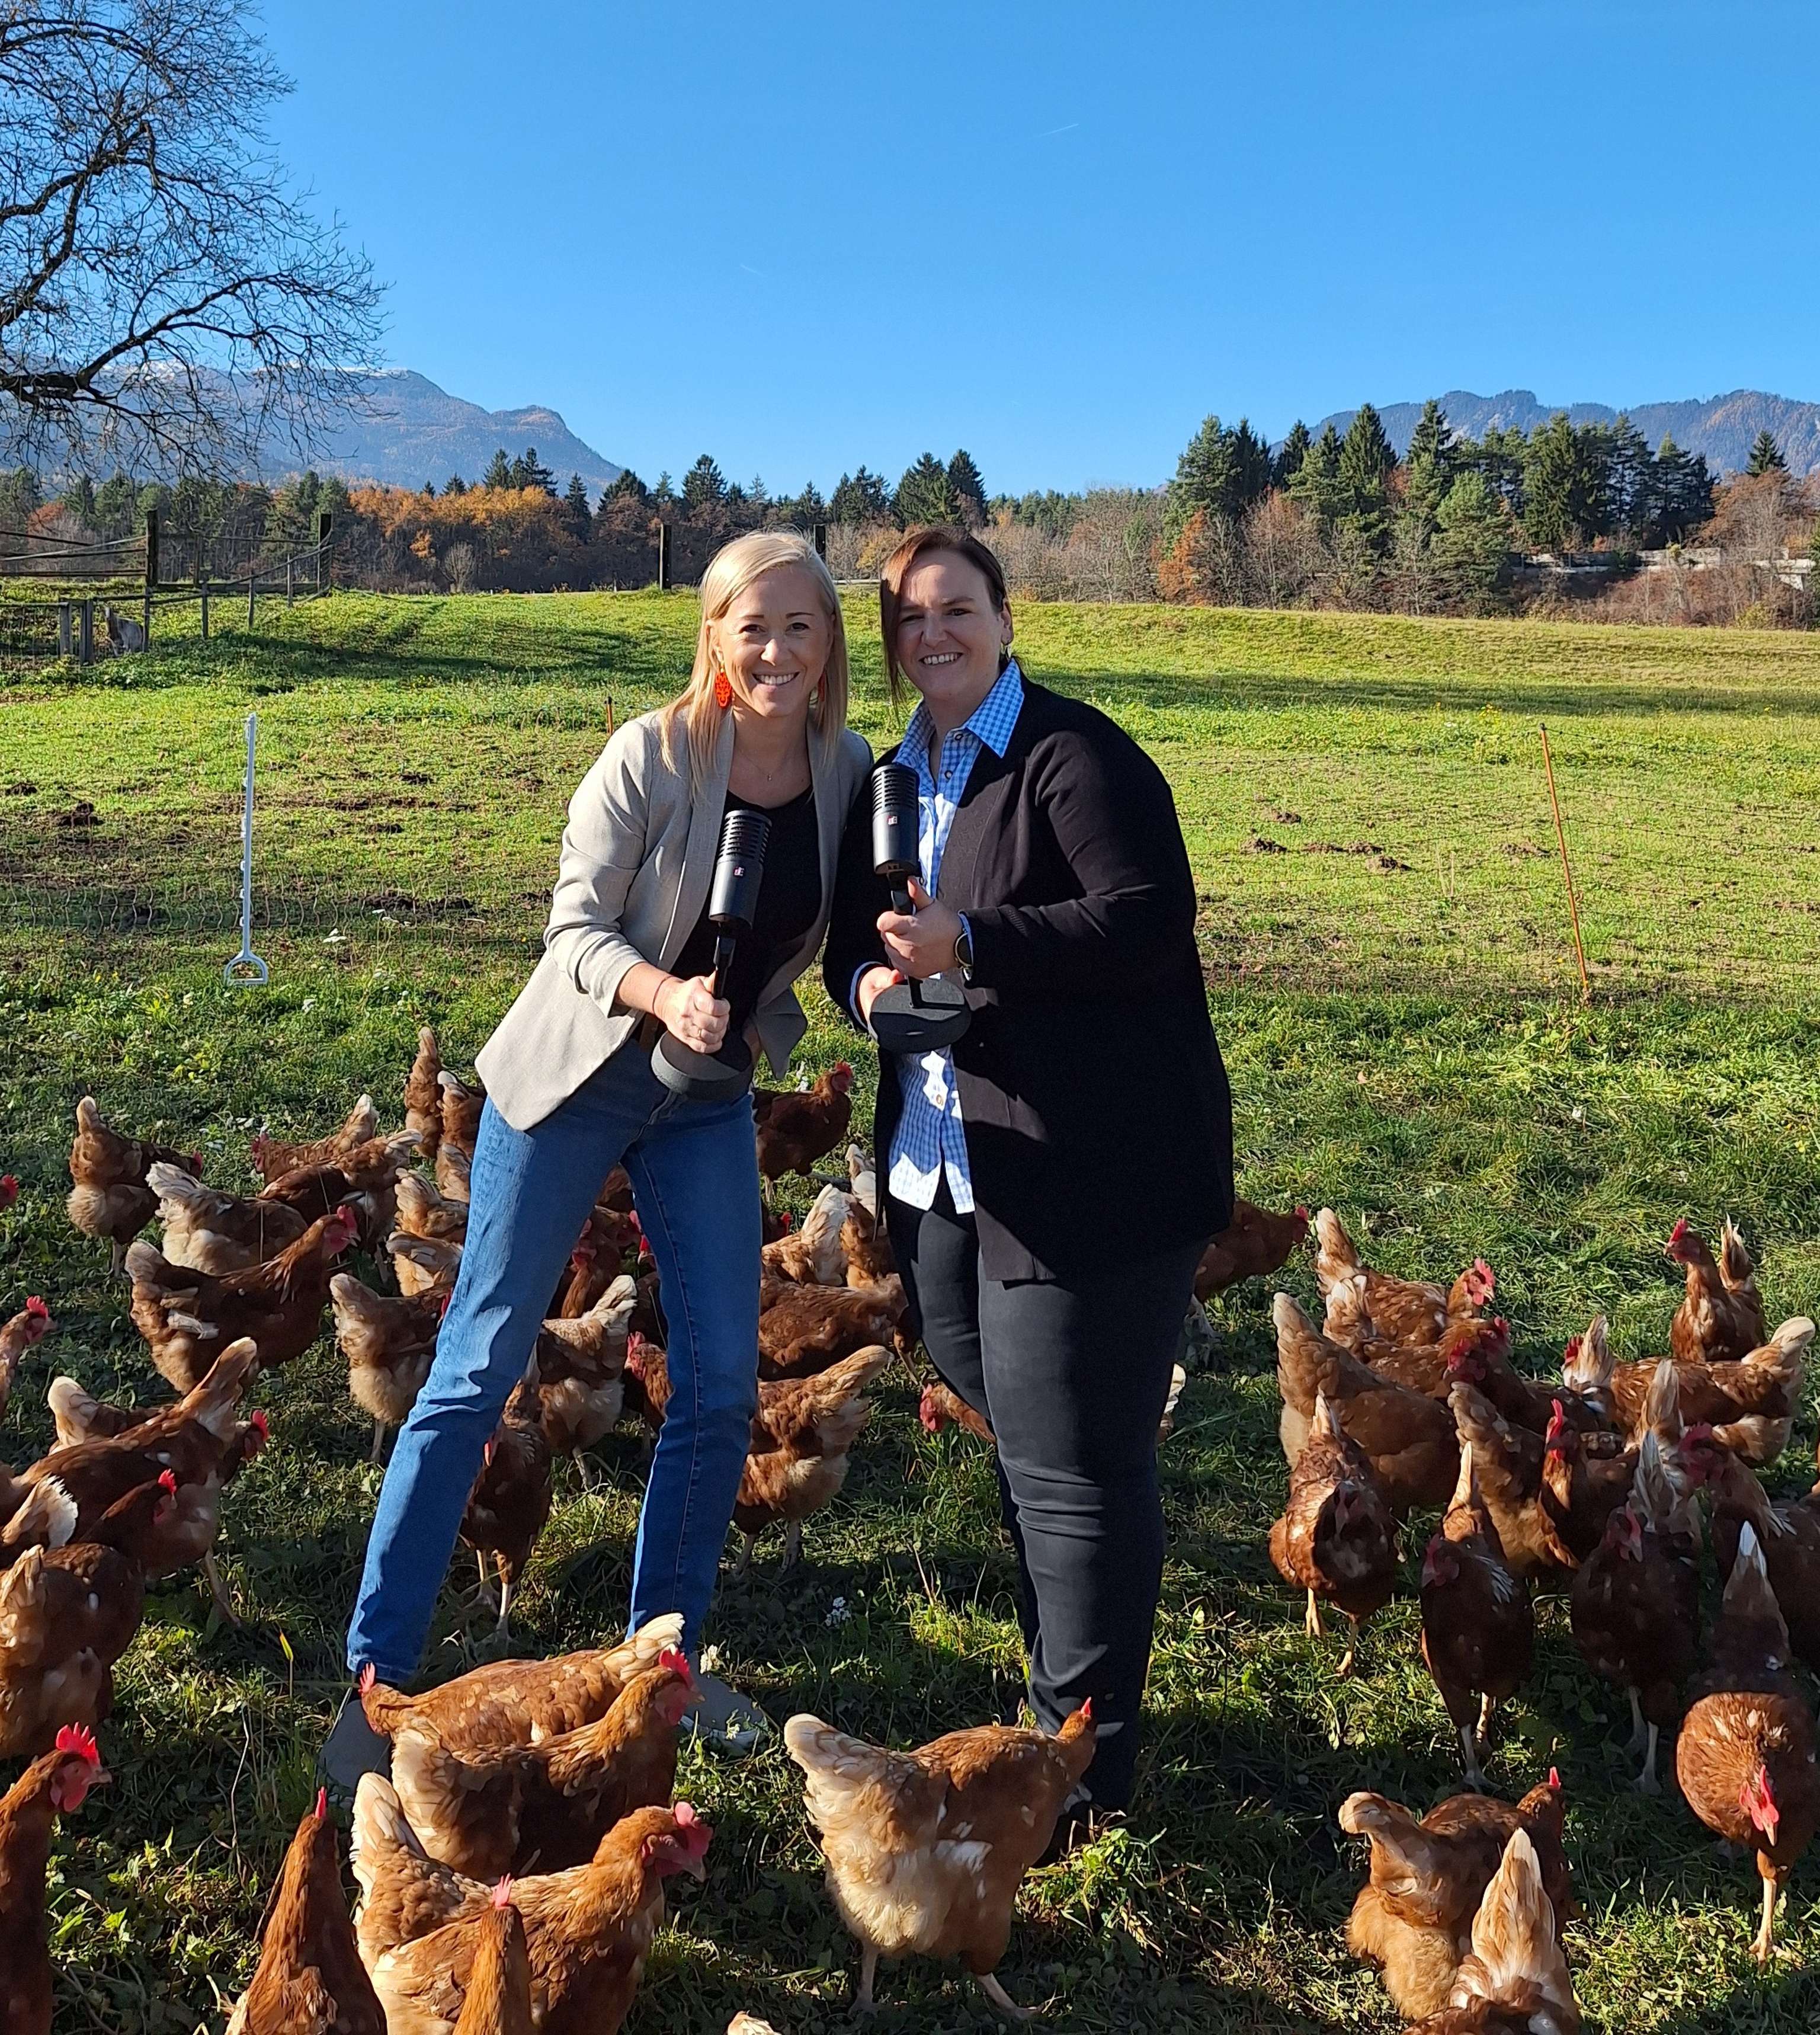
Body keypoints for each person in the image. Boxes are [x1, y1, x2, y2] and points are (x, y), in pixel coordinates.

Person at [321, 529, 873, 1791]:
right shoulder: (654, 754)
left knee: (724, 1383)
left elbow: (846, 930)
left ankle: (657, 1664)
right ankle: (376, 1680)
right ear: (715, 636)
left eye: (802, 626)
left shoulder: (848, 774)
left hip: (703, 1097)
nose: (778, 650)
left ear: (831, 640)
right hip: (574, 1077)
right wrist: (658, 989)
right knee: (481, 1362)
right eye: (754, 625)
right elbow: (572, 924)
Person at [824, 526, 1233, 1839]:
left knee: (1074, 1468)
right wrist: (874, 988)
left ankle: (1083, 1779)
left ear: (1005, 616)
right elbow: (852, 941)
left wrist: (975, 937)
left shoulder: (1071, 755)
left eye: (957, 607)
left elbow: (1145, 917)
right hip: (947, 1156)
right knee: (987, 1378)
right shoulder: (894, 776)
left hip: (1087, 1164)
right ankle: (1068, 1666)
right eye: (907, 617)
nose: (931, 632)